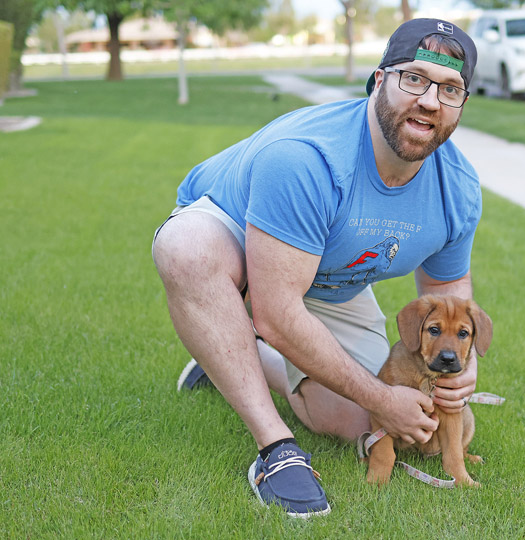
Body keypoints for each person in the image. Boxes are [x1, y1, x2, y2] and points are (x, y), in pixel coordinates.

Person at [152, 18, 481, 518]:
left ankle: (229, 356)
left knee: (357, 418)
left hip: (327, 273)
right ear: (378, 80)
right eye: (413, 78)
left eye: (450, 89)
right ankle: (275, 451)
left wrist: (464, 367)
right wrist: (382, 394)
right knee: (187, 250)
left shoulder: (457, 187)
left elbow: (450, 292)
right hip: (237, 240)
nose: (430, 101)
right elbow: (278, 313)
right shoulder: (307, 159)